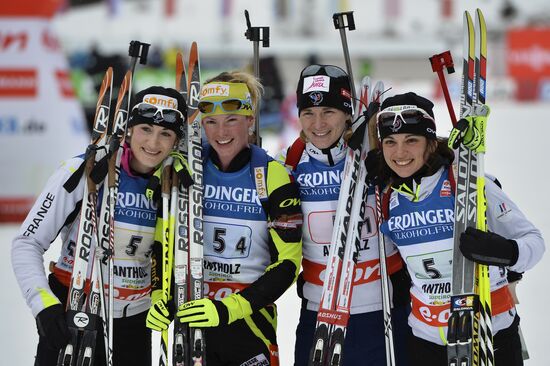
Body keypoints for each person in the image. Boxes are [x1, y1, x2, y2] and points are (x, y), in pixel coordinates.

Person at [11, 86, 187, 366]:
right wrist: (43, 305)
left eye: (165, 133)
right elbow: (27, 243)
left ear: (176, 141)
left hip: (134, 322)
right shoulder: (83, 172)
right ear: (128, 129)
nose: (153, 143)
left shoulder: (177, 187)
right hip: (73, 309)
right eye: (145, 129)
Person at [371, 92, 545, 366]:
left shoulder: (469, 185)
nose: (400, 153)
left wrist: (507, 252)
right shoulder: (387, 196)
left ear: (430, 142)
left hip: (490, 334)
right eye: (390, 142)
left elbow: (534, 242)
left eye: (411, 140)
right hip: (425, 341)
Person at [146, 71, 303, 365]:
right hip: (189, 313)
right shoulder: (185, 168)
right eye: (211, 122)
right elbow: (161, 241)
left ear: (249, 120)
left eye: (231, 120)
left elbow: (288, 264)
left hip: (249, 320)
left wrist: (229, 309)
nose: (221, 132)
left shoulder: (272, 175)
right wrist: (159, 296)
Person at [278, 64, 412, 366]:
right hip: (320, 313)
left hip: (383, 312)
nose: (318, 123)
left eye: (329, 111)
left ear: (348, 113)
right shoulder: (288, 166)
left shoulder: (380, 158)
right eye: (308, 112)